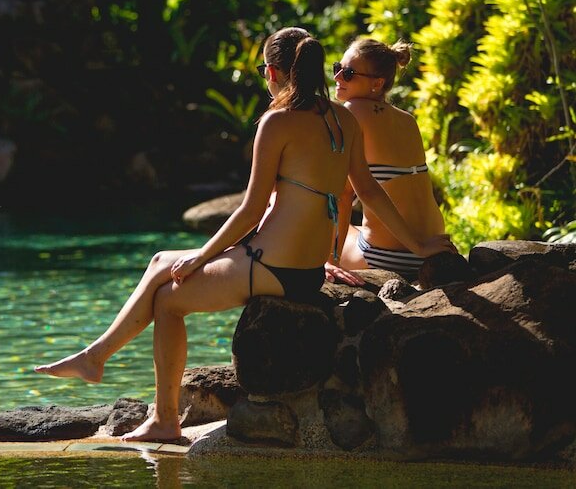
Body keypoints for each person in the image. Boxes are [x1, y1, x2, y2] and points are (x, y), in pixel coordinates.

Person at [34, 27, 456, 442]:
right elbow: (369, 192)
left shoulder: (277, 122)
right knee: (162, 262)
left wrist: (201, 256)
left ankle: (157, 413)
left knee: (167, 299)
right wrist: (419, 246)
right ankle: (97, 357)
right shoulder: (344, 119)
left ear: (273, 73)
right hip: (306, 271)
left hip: (271, 266)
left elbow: (250, 209)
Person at [325, 38, 447, 286]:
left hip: (391, 257)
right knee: (354, 229)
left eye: (348, 73)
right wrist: (422, 246)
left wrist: (330, 261)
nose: (337, 76)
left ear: (377, 83)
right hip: (435, 246)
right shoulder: (407, 120)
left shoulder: (351, 112)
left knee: (315, 224)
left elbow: (344, 196)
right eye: (337, 67)